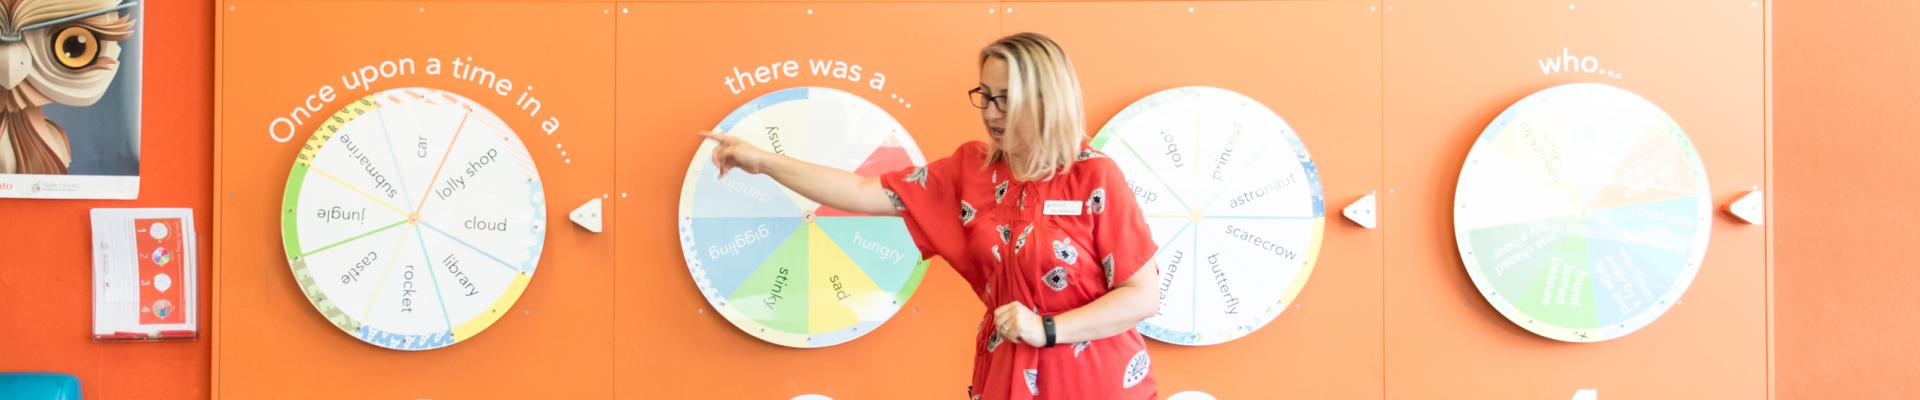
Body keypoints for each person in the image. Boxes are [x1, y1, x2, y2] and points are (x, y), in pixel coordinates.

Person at [699, 32, 1160, 400]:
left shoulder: (1093, 176)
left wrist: (1047, 329)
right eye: (986, 95)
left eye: (1007, 99)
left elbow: (1142, 297)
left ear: (1046, 99)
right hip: (1005, 374)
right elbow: (860, 191)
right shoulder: (970, 172)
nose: (992, 114)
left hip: (1096, 383)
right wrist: (762, 162)